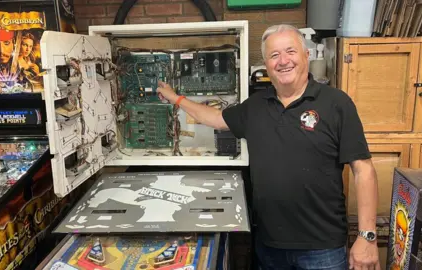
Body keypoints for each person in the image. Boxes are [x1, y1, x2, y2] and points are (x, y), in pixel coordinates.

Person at [157, 24, 380, 270]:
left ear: (306, 55)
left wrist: (367, 236)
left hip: (322, 248)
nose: (283, 61)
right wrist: (175, 98)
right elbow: (213, 118)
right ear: (266, 63)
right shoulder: (255, 106)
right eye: (274, 55)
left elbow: (364, 171)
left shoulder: (337, 104)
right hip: (270, 247)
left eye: (290, 51)